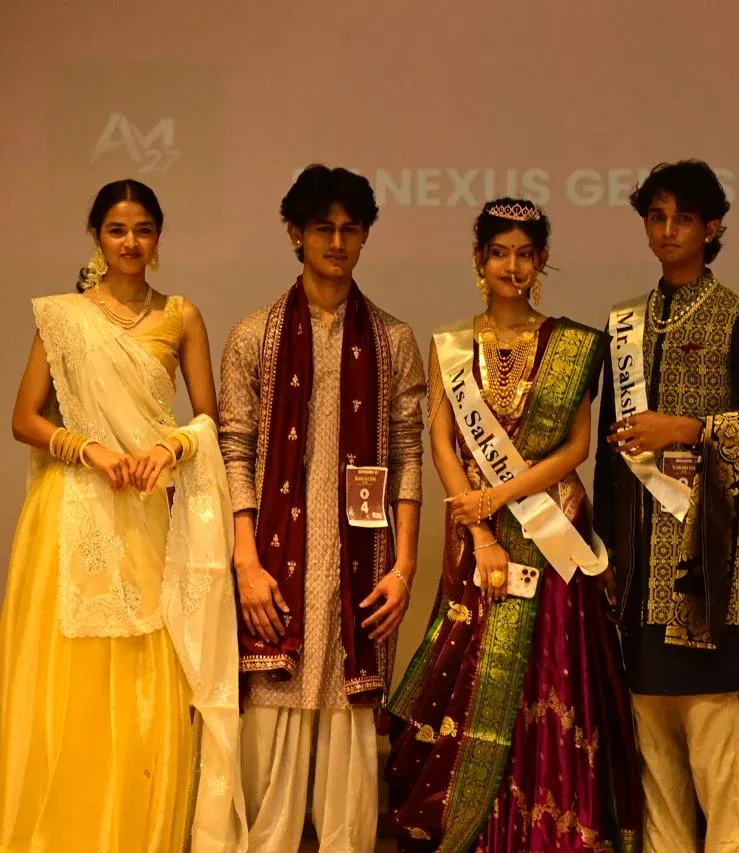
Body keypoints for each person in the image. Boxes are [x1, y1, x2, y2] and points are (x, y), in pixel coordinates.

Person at [383, 197, 642, 852]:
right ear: (479, 259)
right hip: (480, 539)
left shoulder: (574, 344)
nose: (513, 266)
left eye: (525, 254)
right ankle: (480, 826)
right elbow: (442, 442)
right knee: (478, 676)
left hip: (554, 532)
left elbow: (576, 447)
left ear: (542, 260)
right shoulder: (450, 344)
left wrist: (496, 496)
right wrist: (482, 532)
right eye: (499, 253)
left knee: (553, 676)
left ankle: (554, 825)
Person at [0, 179, 244, 852]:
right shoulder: (63, 317)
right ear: (96, 236)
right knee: (69, 676)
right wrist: (92, 450)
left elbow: (209, 419)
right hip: (70, 511)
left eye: (142, 229)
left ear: (158, 236)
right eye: (116, 229)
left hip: (145, 510)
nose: (130, 241)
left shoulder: (181, 316)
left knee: (146, 673)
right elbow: (24, 418)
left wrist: (169, 448)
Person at [219, 164, 427, 853]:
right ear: (296, 234)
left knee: (349, 749)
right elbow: (235, 451)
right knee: (268, 752)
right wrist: (246, 565)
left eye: (350, 229)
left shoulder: (393, 340)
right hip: (274, 570)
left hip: (359, 570)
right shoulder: (254, 336)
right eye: (322, 228)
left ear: (365, 236)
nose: (337, 242)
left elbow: (407, 455)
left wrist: (403, 567)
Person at [593, 160, 739, 852]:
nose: (667, 230)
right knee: (654, 761)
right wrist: (603, 552)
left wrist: (687, 428)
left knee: (717, 756)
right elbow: (609, 455)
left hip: (710, 570)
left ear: (712, 228)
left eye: (682, 217)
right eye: (656, 216)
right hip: (638, 570)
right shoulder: (623, 326)